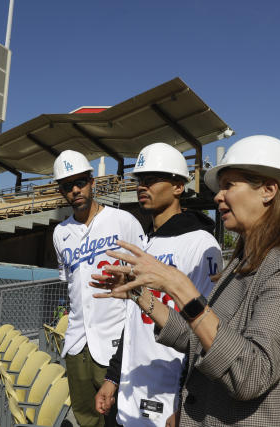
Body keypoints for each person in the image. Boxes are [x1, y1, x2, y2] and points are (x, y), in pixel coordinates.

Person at [94, 135, 280, 426]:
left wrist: (181, 289)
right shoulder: (242, 264)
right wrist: (141, 296)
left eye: (229, 185)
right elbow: (200, 339)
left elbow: (251, 374)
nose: (218, 195)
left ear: (268, 190)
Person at [94, 143, 222, 426]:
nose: (143, 186)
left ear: (178, 186)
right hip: (131, 384)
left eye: (152, 179)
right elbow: (132, 321)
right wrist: (113, 377)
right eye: (140, 180)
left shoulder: (202, 243)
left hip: (169, 393)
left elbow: (208, 330)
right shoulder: (144, 242)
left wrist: (188, 405)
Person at [52, 150, 144, 427]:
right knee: (86, 418)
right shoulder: (60, 232)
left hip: (113, 338)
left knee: (117, 418)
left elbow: (146, 273)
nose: (75, 190)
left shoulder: (123, 221)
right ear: (62, 191)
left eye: (80, 182)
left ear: (92, 182)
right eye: (67, 186)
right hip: (77, 341)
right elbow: (70, 286)